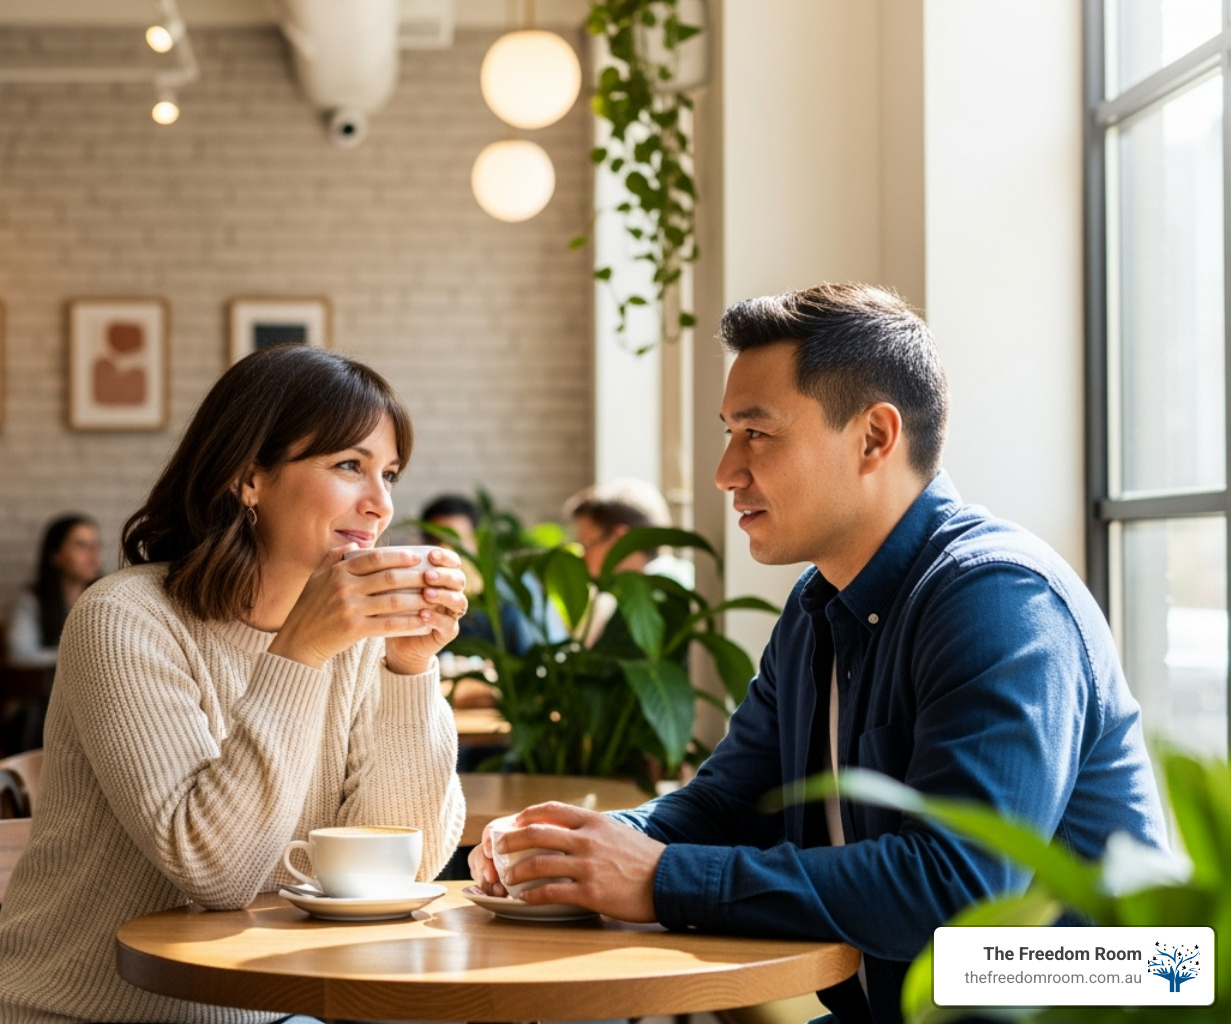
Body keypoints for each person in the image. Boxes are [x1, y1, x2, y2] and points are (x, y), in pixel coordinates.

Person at [471, 283, 1168, 1024]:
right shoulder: (817, 607)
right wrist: (587, 848)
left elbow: (960, 889)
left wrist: (664, 877)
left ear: (874, 437)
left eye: (757, 434)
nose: (725, 472)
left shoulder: (995, 600)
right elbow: (727, 805)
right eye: (728, 433)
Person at [0, 345, 469, 1024]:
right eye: (349, 466)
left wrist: (410, 669)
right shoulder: (125, 619)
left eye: (390, 474)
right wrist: (299, 652)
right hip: (84, 1013)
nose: (380, 504)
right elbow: (218, 873)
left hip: (272, 1007)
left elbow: (404, 869)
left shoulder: (357, 641)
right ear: (248, 477)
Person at [564, 478, 694, 646]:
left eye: (586, 544)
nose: (582, 556)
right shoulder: (678, 575)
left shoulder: (651, 596)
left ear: (619, 538)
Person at [419, 493, 532, 657]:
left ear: (476, 543)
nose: (448, 551)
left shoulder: (503, 598)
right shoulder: (419, 601)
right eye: (439, 541)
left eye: (458, 542)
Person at [4, 514, 103, 668]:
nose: (93, 555)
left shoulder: (107, 599)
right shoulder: (32, 599)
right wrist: (81, 656)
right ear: (55, 555)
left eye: (95, 545)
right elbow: (20, 654)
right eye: (81, 545)